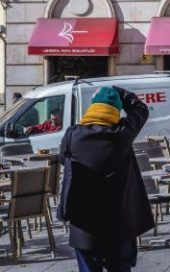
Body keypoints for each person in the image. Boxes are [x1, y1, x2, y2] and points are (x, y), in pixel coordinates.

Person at [59, 86, 154, 271]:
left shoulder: (73, 134)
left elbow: (64, 160)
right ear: (115, 111)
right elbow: (140, 109)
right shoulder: (122, 133)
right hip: (118, 222)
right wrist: (120, 92)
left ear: (92, 108)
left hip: (84, 223)